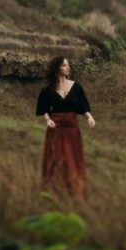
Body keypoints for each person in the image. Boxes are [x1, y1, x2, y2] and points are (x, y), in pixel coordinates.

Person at [35, 56, 95, 197]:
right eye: (64, 65)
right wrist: (47, 120)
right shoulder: (47, 89)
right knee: (56, 158)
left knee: (72, 158)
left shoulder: (76, 87)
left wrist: (89, 116)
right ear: (56, 68)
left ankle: (74, 190)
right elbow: (44, 109)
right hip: (55, 127)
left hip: (72, 128)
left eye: (68, 65)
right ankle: (54, 190)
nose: (68, 68)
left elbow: (83, 106)